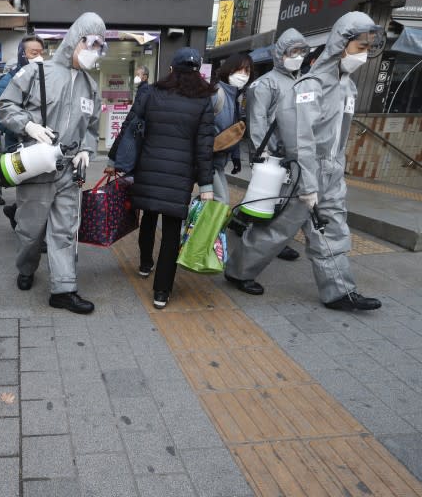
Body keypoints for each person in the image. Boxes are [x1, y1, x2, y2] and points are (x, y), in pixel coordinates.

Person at [224, 12, 384, 312]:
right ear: (342, 43)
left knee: (332, 228)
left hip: (331, 170)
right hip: (302, 171)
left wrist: (337, 168)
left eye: (368, 48)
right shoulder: (310, 86)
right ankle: (238, 271)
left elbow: (341, 133)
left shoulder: (346, 86)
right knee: (277, 229)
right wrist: (307, 184)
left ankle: (339, 291)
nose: (364, 54)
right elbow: (301, 140)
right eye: (360, 46)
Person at [0, 12, 105, 314]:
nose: (94, 51)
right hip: (37, 165)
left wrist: (86, 149)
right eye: (91, 43)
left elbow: (92, 127)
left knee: (65, 231)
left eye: (100, 45)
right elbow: (5, 105)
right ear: (75, 40)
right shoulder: (36, 73)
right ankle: (27, 267)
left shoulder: (90, 86)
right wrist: (28, 126)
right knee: (31, 231)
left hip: (70, 170)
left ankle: (64, 289)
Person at [130, 48, 216, 308]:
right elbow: (204, 146)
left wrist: (116, 161)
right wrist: (206, 184)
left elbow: (132, 126)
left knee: (148, 216)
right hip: (180, 174)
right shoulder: (203, 101)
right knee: (170, 232)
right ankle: (161, 292)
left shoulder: (152, 93)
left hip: (149, 166)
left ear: (171, 70)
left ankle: (145, 264)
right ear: (198, 72)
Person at [243, 29, 313, 263]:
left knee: (281, 201)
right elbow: (257, 120)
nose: (298, 57)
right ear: (280, 53)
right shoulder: (264, 84)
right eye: (293, 52)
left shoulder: (302, 82)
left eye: (301, 52)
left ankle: (271, 240)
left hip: (294, 153)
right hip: (272, 155)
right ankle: (257, 243)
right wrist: (262, 153)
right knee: (266, 201)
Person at [0, 37, 46, 208]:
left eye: (42, 53)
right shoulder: (9, 80)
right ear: (23, 55)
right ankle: (18, 217)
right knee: (24, 188)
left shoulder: (44, 77)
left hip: (41, 143)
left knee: (38, 189)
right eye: (34, 53)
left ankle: (20, 215)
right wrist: (23, 128)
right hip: (18, 143)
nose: (39, 57)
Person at [210, 53, 252, 203]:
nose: (243, 75)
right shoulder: (217, 93)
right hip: (209, 160)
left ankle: (193, 226)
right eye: (238, 70)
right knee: (220, 202)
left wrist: (236, 156)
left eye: (246, 71)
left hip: (219, 162)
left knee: (213, 202)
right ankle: (193, 226)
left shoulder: (235, 97)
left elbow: (234, 131)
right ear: (228, 70)